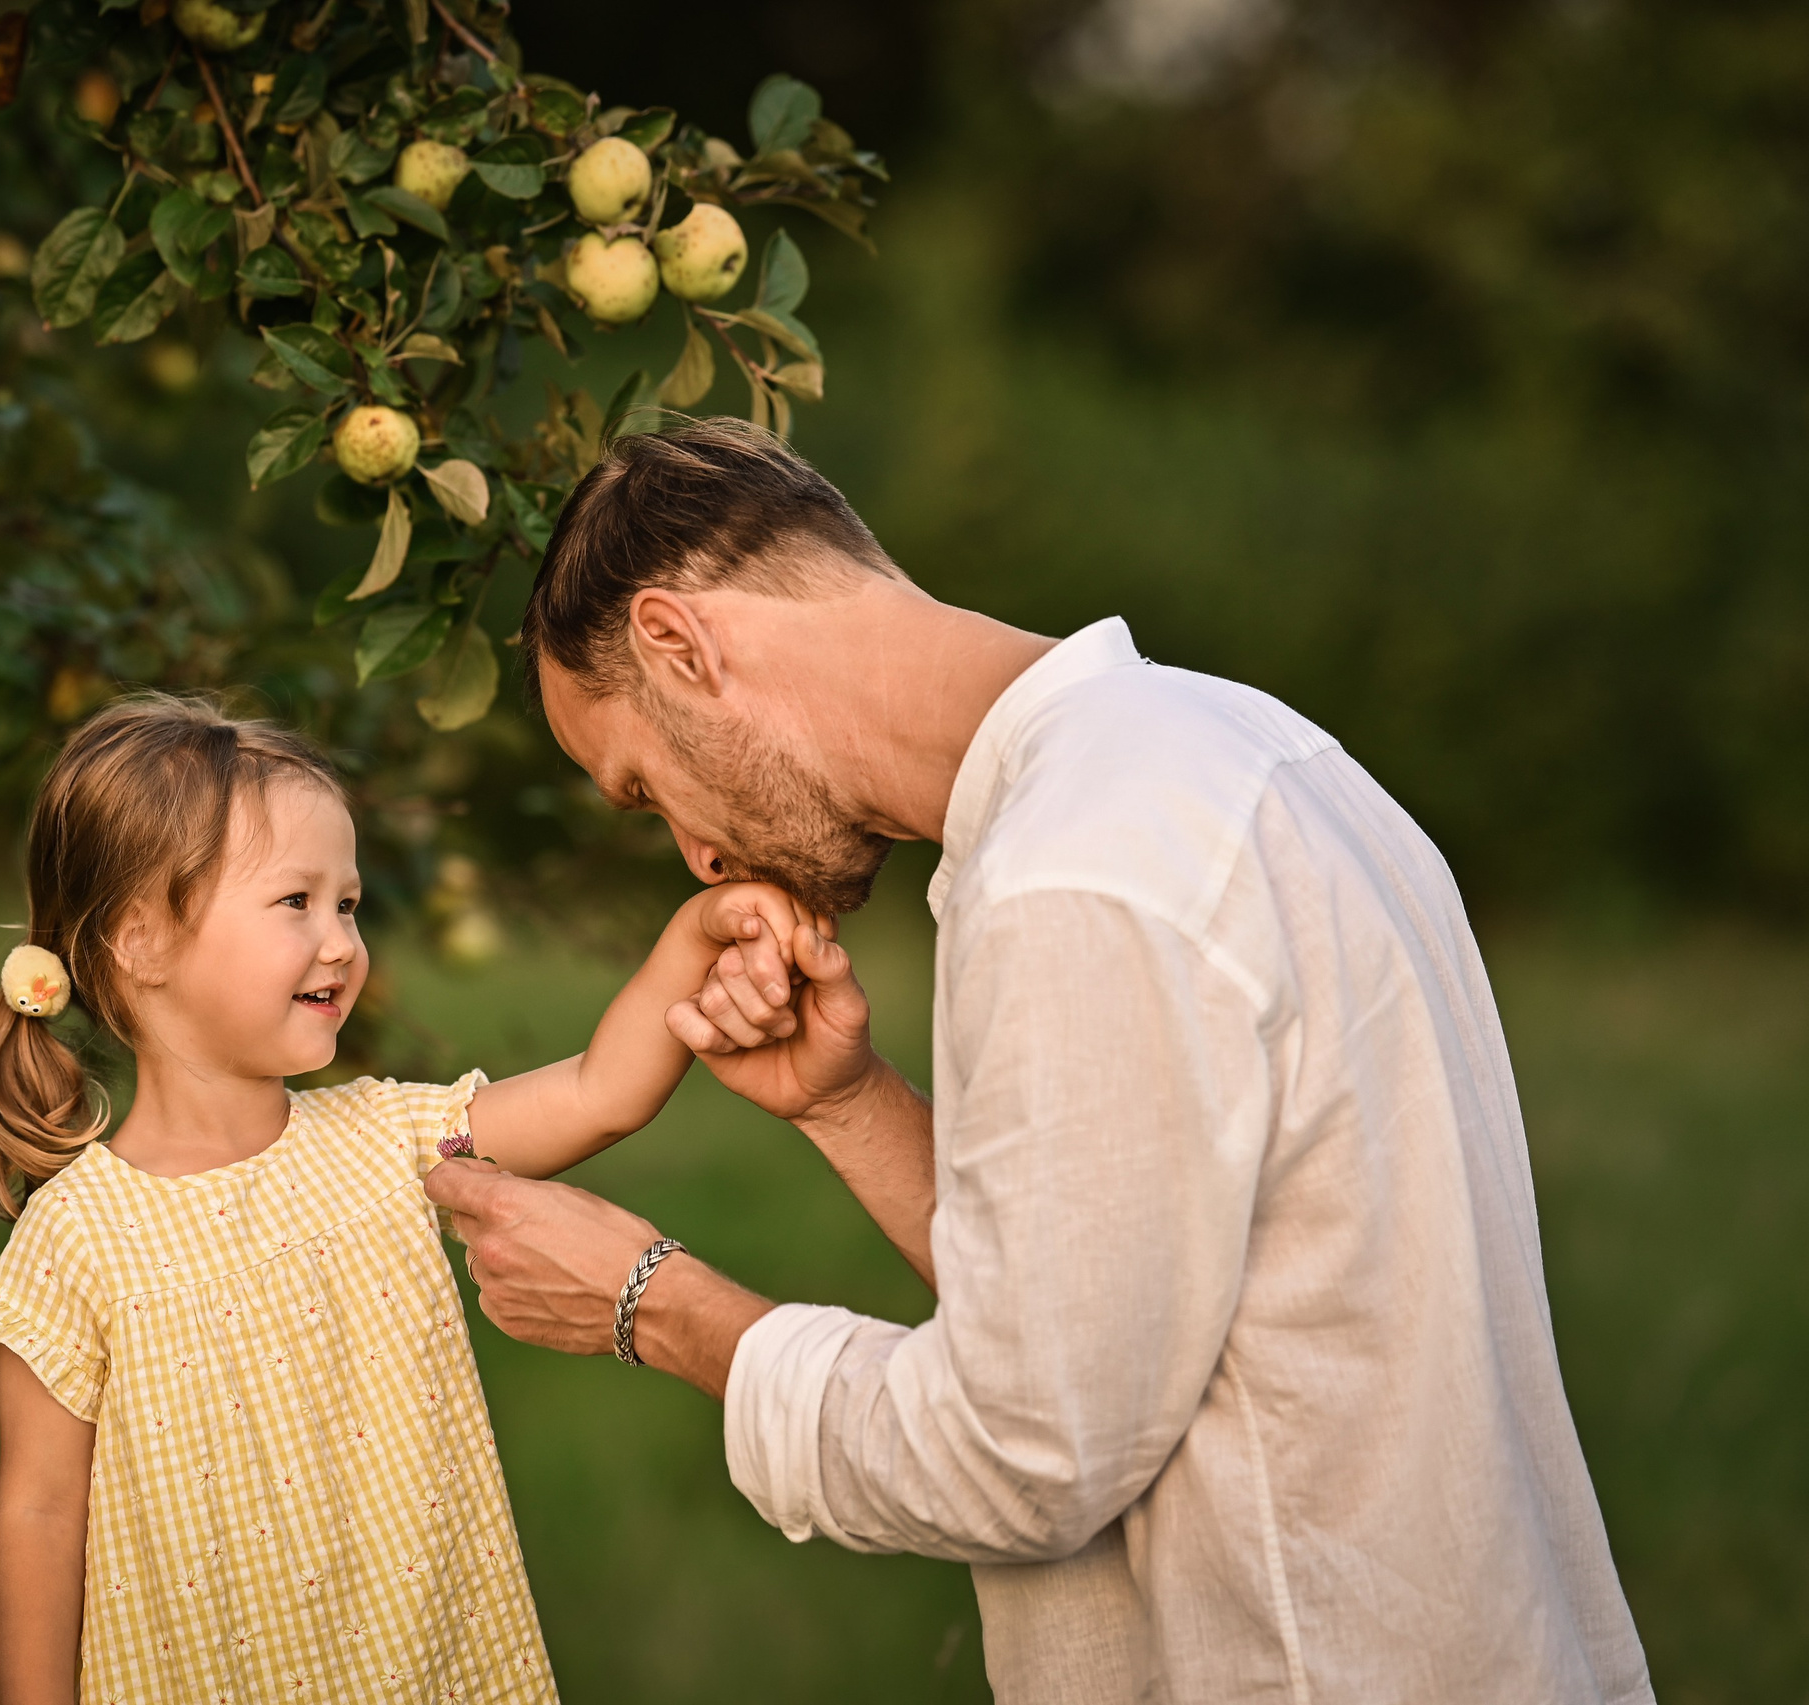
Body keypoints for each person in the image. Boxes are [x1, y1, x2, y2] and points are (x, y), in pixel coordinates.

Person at [426, 419, 1655, 1704]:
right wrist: (849, 1109)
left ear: (681, 646)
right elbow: (1125, 1323)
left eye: (643, 785)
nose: (697, 855)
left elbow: (1024, 1458)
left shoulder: (1074, 869)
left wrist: (653, 1305)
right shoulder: (1242, 749)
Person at [0, 694, 815, 1705]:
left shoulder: (387, 1141)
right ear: (141, 938)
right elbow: (41, 1516)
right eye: (295, 903)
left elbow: (598, 1094)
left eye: (349, 904)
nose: (339, 943)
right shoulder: (78, 1241)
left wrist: (695, 936)